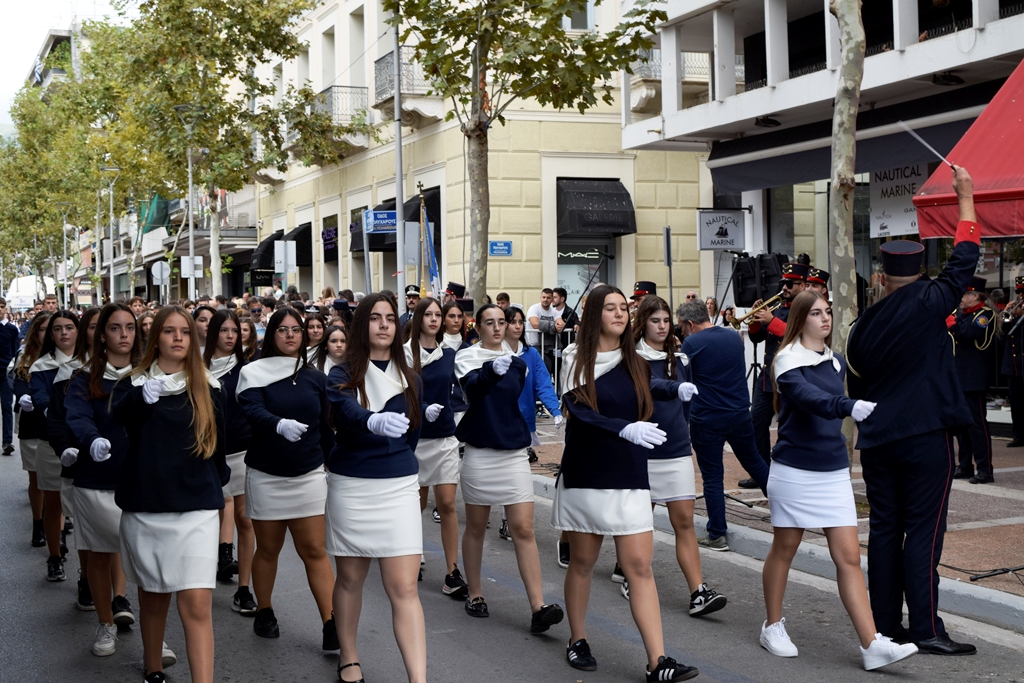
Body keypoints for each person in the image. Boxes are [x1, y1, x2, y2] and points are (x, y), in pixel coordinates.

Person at [846, 165, 980, 656]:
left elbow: (856, 385)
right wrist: (965, 197)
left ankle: (884, 626)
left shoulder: (860, 327)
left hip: (879, 440)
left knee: (884, 530)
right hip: (924, 437)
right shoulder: (930, 300)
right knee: (923, 532)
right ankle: (925, 628)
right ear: (920, 273)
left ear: (881, 277)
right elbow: (965, 256)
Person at [758, 291, 917, 670]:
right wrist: (848, 406)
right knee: (785, 548)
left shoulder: (836, 362)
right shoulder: (787, 360)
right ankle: (772, 626)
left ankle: (871, 644)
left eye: (827, 312)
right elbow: (809, 398)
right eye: (816, 313)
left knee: (848, 557)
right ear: (801, 319)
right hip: (795, 472)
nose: (825, 318)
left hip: (833, 473)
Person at [553, 285, 698, 682]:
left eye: (623, 308)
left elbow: (650, 386)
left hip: (630, 471)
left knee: (640, 567)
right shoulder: (575, 357)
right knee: (583, 562)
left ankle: (657, 661)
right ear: (595, 315)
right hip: (588, 473)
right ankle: (577, 639)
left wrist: (676, 387)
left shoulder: (635, 358)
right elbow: (580, 410)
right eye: (610, 308)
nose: (620, 314)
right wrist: (623, 428)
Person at [112, 306, 225, 683]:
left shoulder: (210, 386)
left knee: (197, 603)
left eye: (185, 332)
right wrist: (142, 399)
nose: (178, 338)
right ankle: (154, 669)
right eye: (169, 331)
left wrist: (211, 484)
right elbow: (120, 418)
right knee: (154, 596)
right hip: (148, 506)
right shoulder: (134, 384)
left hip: (197, 509)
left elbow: (220, 449)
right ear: (155, 337)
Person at [326, 293, 427, 683]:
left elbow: (412, 435)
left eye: (389, 318)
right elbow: (347, 412)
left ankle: (418, 679)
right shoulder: (341, 373)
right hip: (353, 486)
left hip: (398, 487)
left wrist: (395, 459)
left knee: (404, 586)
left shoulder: (411, 378)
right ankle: (349, 656)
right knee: (351, 578)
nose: (384, 325)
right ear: (361, 325)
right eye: (374, 318)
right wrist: (372, 422)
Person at [455, 304, 564, 630]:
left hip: (514, 452)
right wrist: (491, 370)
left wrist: (553, 413)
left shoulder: (520, 362)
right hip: (480, 453)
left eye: (501, 322)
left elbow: (523, 399)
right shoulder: (467, 357)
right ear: (478, 327)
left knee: (524, 529)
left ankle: (538, 607)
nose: (497, 328)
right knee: (476, 527)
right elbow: (473, 389)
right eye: (489, 322)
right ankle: (475, 593)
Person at [236, 307, 338, 649]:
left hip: (308, 475)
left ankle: (331, 622)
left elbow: (325, 427)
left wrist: (336, 464)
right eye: (283, 329)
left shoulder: (315, 377)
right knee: (268, 549)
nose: (291, 335)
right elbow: (251, 409)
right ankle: (265, 610)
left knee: (314, 550)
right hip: (266, 475)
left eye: (296, 329)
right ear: (272, 334)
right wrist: (278, 424)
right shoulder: (253, 371)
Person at [630, 295, 726, 616]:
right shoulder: (632, 357)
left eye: (665, 320)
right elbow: (649, 385)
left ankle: (698, 592)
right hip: (642, 450)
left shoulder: (681, 358)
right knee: (640, 523)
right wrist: (674, 389)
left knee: (684, 521)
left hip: (676, 450)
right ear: (643, 323)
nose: (661, 326)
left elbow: (685, 406)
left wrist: (682, 430)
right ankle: (631, 573)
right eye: (654, 320)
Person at [65, 303, 141, 656]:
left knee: (145, 557)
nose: (124, 334)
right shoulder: (84, 377)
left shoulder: (149, 374)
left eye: (130, 327)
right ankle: (105, 623)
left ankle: (153, 631)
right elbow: (77, 416)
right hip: (95, 479)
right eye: (114, 327)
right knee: (98, 555)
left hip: (140, 479)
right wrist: (91, 439)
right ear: (101, 335)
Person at [678, 301, 770, 550]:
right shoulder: (733, 336)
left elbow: (683, 378)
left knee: (712, 477)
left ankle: (717, 534)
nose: (682, 331)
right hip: (739, 413)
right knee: (755, 463)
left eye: (682, 327)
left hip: (707, 418)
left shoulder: (691, 344)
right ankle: (787, 510)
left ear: (689, 323)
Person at [403, 297, 468, 595]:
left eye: (437, 315)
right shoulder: (404, 353)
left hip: (443, 437)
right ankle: (412, 556)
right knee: (414, 505)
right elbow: (401, 393)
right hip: (414, 438)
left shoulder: (449, 353)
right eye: (427, 314)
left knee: (447, 505)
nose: (433, 319)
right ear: (418, 318)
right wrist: (422, 407)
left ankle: (452, 571)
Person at [204, 311, 257, 614]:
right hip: (208, 453)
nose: (230, 336)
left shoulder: (247, 368)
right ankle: (200, 583)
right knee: (208, 520)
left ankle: (244, 588)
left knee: (245, 519)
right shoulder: (197, 367)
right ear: (214, 333)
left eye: (234, 331)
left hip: (243, 451)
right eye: (224, 330)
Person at [744, 262, 809, 487]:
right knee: (756, 422)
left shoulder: (806, 308)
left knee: (787, 427)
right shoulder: (778, 307)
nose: (785, 288)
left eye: (790, 284)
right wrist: (755, 321)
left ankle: (786, 472)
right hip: (767, 377)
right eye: (783, 283)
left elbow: (796, 335)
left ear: (803, 285)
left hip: (790, 376)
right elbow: (758, 338)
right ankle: (762, 471)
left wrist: (771, 320)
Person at [28, 309, 80, 581]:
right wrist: (57, 414)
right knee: (54, 501)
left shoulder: (91, 361)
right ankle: (55, 557)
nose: (63, 333)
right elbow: (39, 396)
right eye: (57, 328)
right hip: (50, 441)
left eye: (69, 327)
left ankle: (86, 572)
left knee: (83, 506)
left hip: (84, 443)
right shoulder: (41, 365)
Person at [949, 276, 996, 484]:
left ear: (976, 296)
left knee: (978, 426)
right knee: (962, 426)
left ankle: (985, 469)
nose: (962, 297)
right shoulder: (963, 314)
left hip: (974, 377)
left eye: (965, 294)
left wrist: (951, 321)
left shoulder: (984, 315)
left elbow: (968, 333)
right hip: (960, 377)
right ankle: (965, 465)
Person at [13, 313, 51, 547]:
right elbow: (17, 383)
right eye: (42, 329)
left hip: (55, 425)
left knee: (57, 481)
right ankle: (38, 523)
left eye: (51, 329)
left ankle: (56, 519)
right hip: (32, 424)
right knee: (36, 478)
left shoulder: (67, 357)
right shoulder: (25, 356)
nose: (48, 334)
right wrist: (22, 396)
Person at [1002, 277, 1024, 447]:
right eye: (1019, 293)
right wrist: (1006, 314)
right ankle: (1019, 435)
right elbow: (1003, 333)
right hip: (1014, 366)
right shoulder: (1015, 312)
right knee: (1016, 403)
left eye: (1023, 293)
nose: (1020, 296)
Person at [0, 297, 20, 456]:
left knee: (7, 406)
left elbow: (16, 352)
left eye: (1, 306)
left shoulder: (12, 329)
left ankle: (7, 442)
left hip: (5, 373)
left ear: (5, 309)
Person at [526, 288, 558, 374]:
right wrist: (552, 325)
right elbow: (535, 324)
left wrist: (558, 325)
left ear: (552, 299)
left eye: (548, 297)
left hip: (548, 346)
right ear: (540, 297)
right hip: (533, 345)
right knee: (544, 366)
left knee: (551, 368)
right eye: (543, 297)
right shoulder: (534, 308)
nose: (545, 300)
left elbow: (560, 324)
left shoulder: (554, 311)